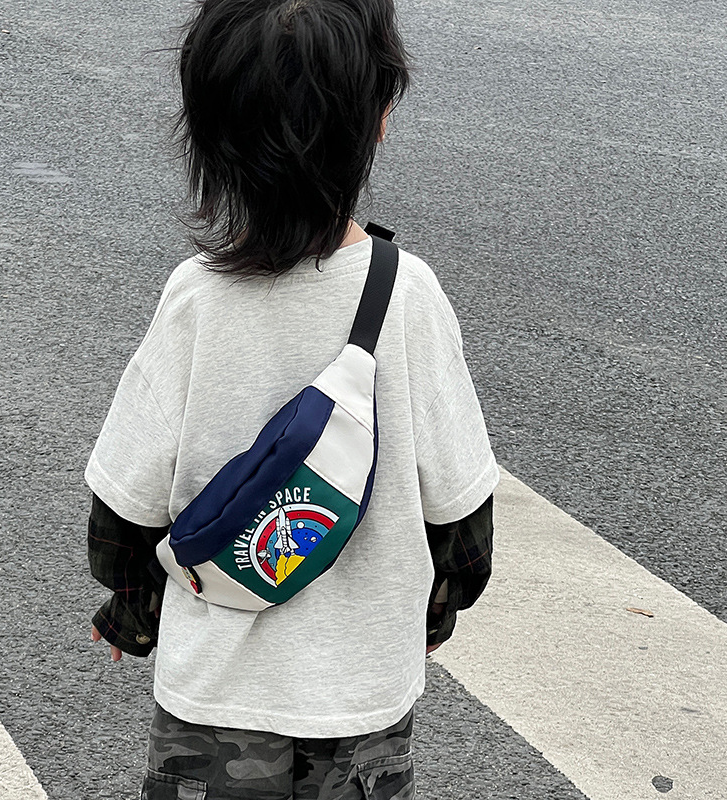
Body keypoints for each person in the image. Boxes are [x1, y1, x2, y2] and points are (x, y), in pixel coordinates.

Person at [85, 0, 499, 797]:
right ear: (378, 120)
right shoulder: (407, 296)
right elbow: (463, 519)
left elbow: (122, 512)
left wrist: (133, 617)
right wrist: (432, 613)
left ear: (205, 134)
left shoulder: (195, 299)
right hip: (363, 698)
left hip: (212, 700)